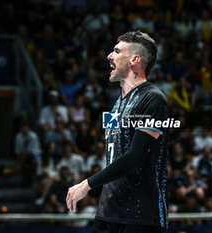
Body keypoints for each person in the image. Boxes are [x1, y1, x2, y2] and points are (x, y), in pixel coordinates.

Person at [66, 30, 169, 233]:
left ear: (135, 59)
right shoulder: (116, 105)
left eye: (116, 51)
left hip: (140, 216)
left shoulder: (153, 99)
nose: (109, 56)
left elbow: (135, 157)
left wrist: (87, 184)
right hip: (108, 212)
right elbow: (114, 158)